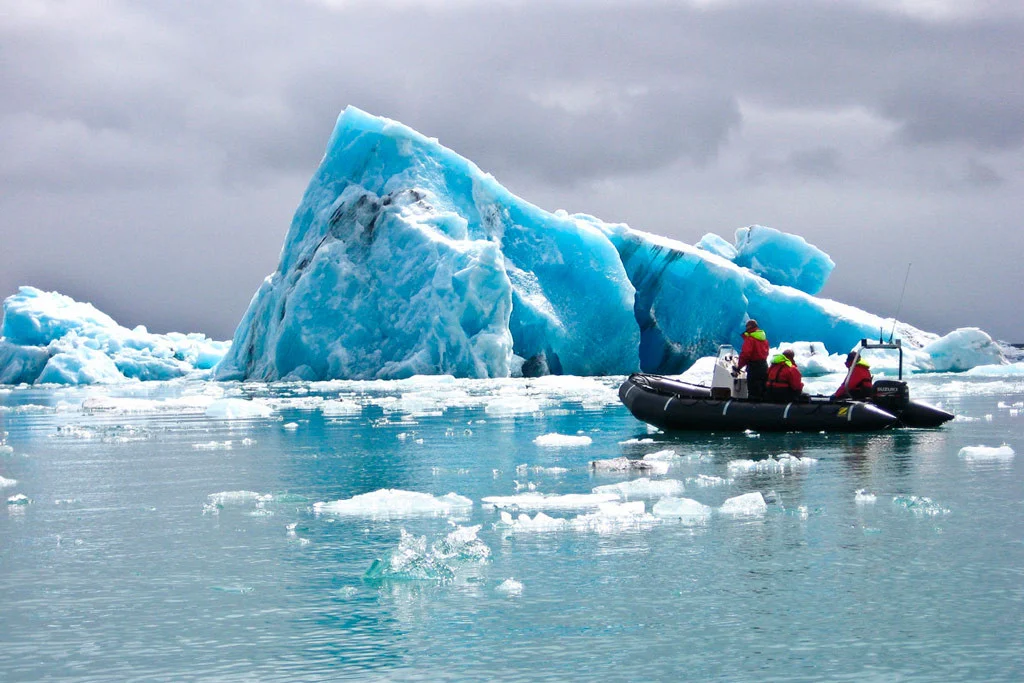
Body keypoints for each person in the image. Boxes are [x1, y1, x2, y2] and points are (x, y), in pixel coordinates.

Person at [735, 319, 769, 399]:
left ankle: (752, 409)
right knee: (763, 389)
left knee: (754, 391)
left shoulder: (750, 339)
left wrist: (739, 367)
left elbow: (745, 354)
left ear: (749, 327)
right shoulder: (764, 339)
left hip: (754, 368)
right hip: (764, 366)